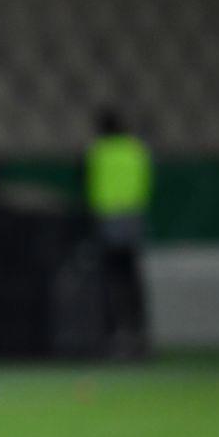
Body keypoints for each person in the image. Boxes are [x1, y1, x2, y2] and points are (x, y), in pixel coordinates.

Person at [84, 107, 153, 359]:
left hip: (108, 219)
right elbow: (145, 182)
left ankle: (115, 334)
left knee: (111, 280)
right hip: (132, 218)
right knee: (132, 279)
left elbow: (91, 185)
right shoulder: (136, 149)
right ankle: (138, 333)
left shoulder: (99, 152)